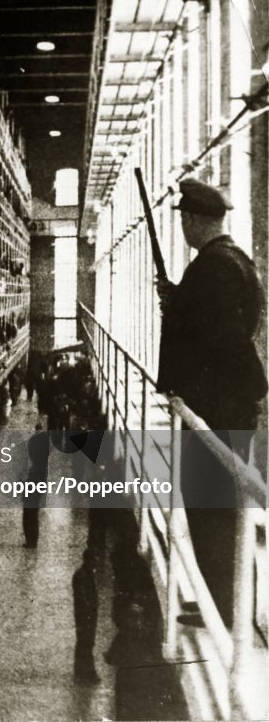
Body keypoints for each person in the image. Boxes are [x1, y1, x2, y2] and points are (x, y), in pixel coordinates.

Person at [155, 178, 267, 629]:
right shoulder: (233, 260)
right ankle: (228, 603)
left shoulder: (213, 267)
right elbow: (218, 322)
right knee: (222, 507)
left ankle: (225, 609)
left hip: (215, 408)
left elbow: (220, 339)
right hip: (228, 405)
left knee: (210, 507)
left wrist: (178, 306)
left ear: (196, 220)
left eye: (184, 218)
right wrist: (178, 299)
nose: (182, 226)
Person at [72, 547, 100, 684]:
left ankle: (80, 670)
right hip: (86, 616)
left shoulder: (82, 574)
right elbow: (85, 599)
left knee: (84, 642)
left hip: (84, 615)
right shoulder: (84, 576)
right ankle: (87, 672)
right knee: (86, 643)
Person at [23, 423, 50, 549]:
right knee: (33, 515)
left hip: (32, 490)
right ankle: (33, 541)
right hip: (37, 488)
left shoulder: (35, 468)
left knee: (29, 515)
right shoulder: (42, 465)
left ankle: (30, 541)